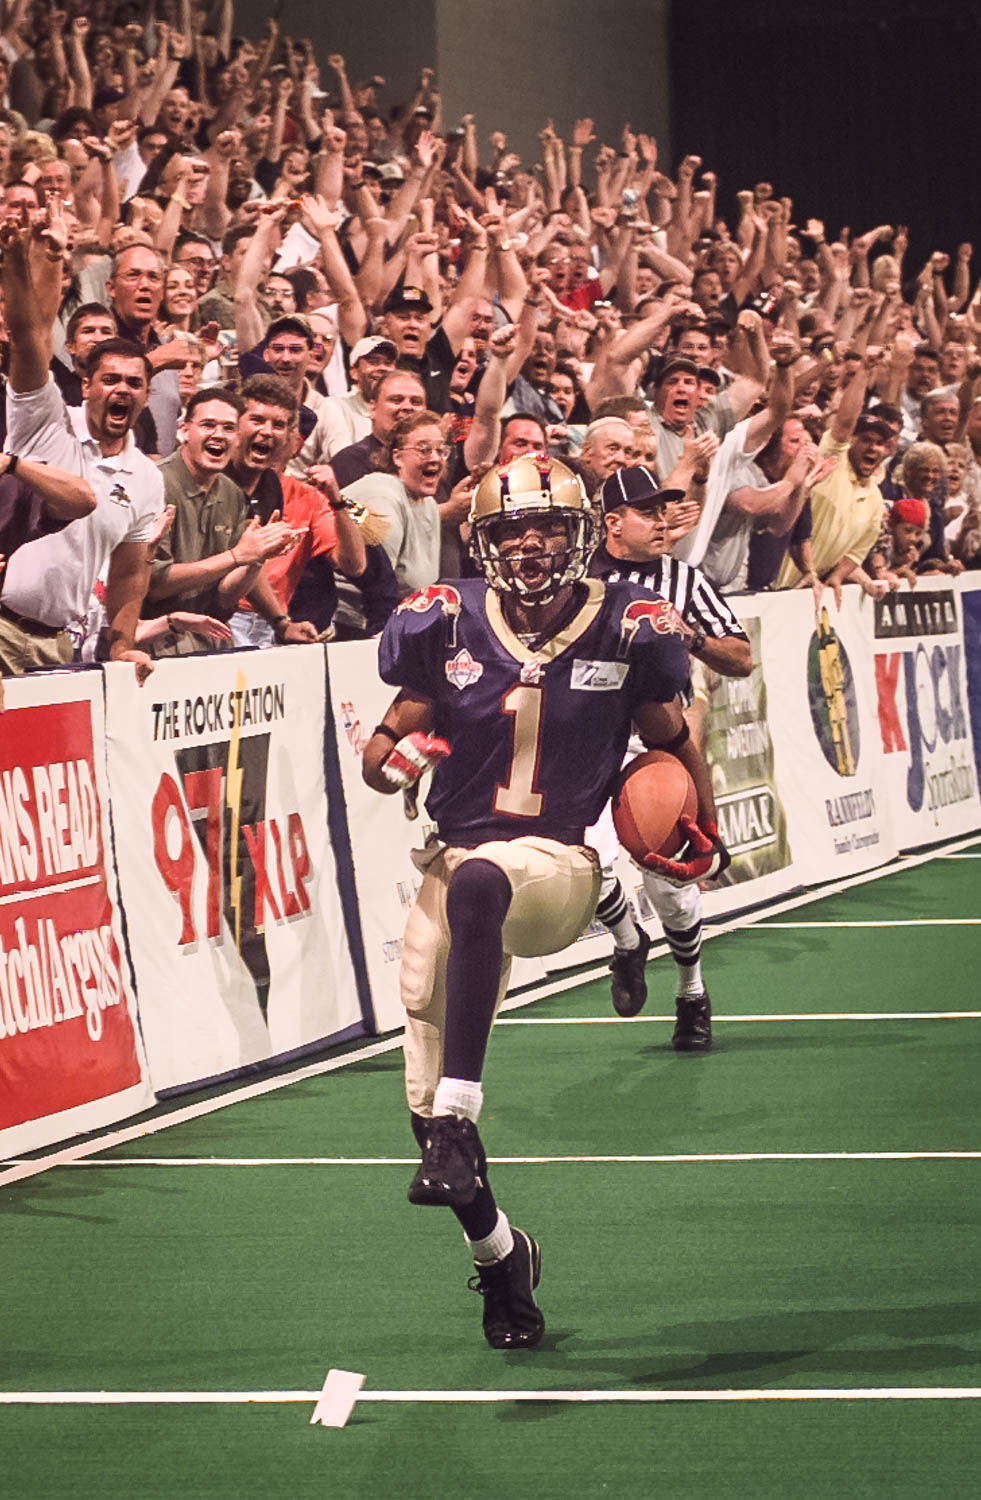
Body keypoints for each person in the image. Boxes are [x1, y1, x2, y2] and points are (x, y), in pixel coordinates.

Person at [362, 453, 728, 1349]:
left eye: (548, 528)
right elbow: (387, 744)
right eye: (510, 529)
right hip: (450, 867)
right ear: (482, 541)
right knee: (420, 1100)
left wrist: (702, 835)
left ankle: (605, 913)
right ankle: (500, 1259)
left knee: (489, 883)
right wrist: (385, 764)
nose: (528, 544)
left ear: (581, 537)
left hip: (553, 862)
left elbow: (673, 743)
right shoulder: (442, 620)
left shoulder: (631, 626)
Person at [587, 464, 750, 1046]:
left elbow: (742, 656)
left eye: (666, 510)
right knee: (585, 868)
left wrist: (691, 637)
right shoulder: (575, 578)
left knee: (672, 888)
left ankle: (692, 993)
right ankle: (628, 941)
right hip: (583, 735)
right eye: (648, 511)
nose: (663, 521)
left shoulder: (683, 578)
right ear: (612, 522)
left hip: (656, 741)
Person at [1, 207, 164, 685]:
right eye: (110, 378)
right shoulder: (44, 422)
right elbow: (30, 335)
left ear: (147, 396)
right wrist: (16, 259)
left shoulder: (147, 477)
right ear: (86, 384)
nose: (123, 389)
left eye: (134, 383)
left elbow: (131, 572)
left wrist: (123, 645)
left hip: (60, 644)